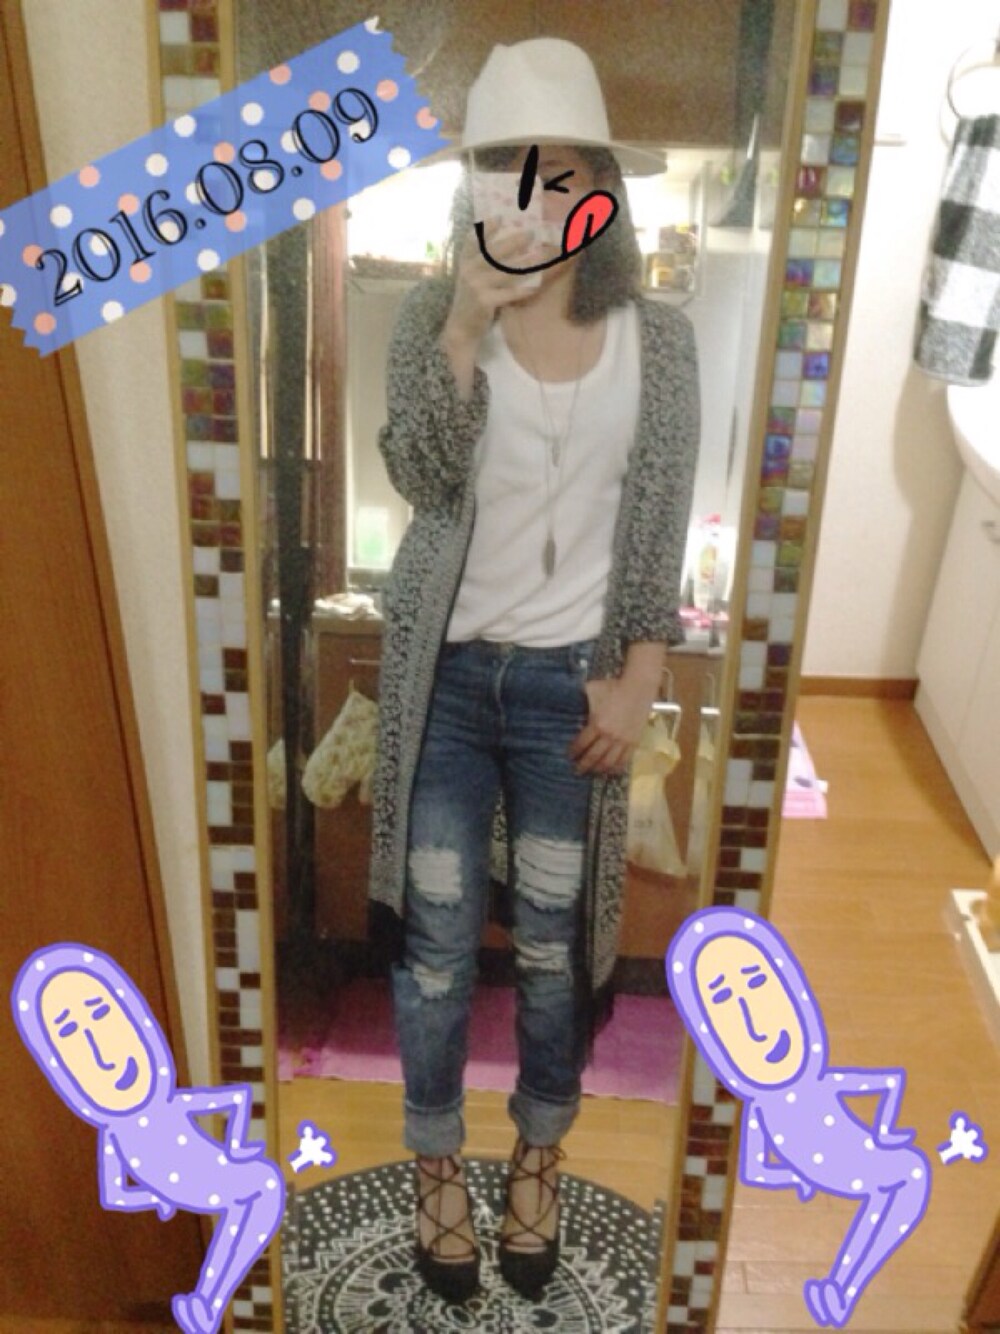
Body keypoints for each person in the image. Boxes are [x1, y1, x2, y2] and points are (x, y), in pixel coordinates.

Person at [368, 37, 700, 1302]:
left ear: (604, 190)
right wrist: (465, 321)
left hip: (575, 689)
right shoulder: (432, 318)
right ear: (475, 189)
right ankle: (435, 1168)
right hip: (445, 689)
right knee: (439, 946)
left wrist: (641, 674)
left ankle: (538, 1161)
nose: (542, 199)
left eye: (567, 174)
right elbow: (422, 475)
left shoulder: (658, 341)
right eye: (513, 171)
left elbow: (657, 521)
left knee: (556, 950)